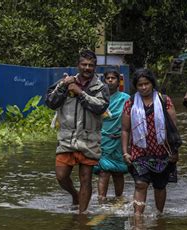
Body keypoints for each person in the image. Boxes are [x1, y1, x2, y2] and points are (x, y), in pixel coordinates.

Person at [46, 49, 109, 213]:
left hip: (89, 141)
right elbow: (51, 102)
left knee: (86, 178)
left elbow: (100, 107)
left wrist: (80, 93)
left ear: (95, 67)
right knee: (61, 176)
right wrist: (65, 86)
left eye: (91, 65)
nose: (87, 68)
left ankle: (82, 216)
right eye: (84, 64)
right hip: (67, 139)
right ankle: (74, 195)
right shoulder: (65, 82)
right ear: (78, 65)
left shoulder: (100, 87)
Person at [121, 69, 179, 215]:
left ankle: (159, 215)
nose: (144, 87)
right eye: (140, 85)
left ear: (152, 84)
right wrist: (125, 152)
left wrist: (175, 151)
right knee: (140, 184)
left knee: (160, 186)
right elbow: (125, 130)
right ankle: (138, 217)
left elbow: (173, 129)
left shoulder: (165, 101)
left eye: (146, 83)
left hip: (162, 152)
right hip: (139, 152)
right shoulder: (131, 103)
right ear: (136, 86)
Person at [93, 68, 130, 203]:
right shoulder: (99, 98)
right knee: (103, 171)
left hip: (120, 140)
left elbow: (131, 120)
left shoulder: (126, 99)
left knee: (118, 172)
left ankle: (119, 199)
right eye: (107, 78)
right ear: (104, 81)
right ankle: (101, 200)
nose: (110, 80)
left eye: (113, 78)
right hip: (102, 139)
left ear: (118, 81)